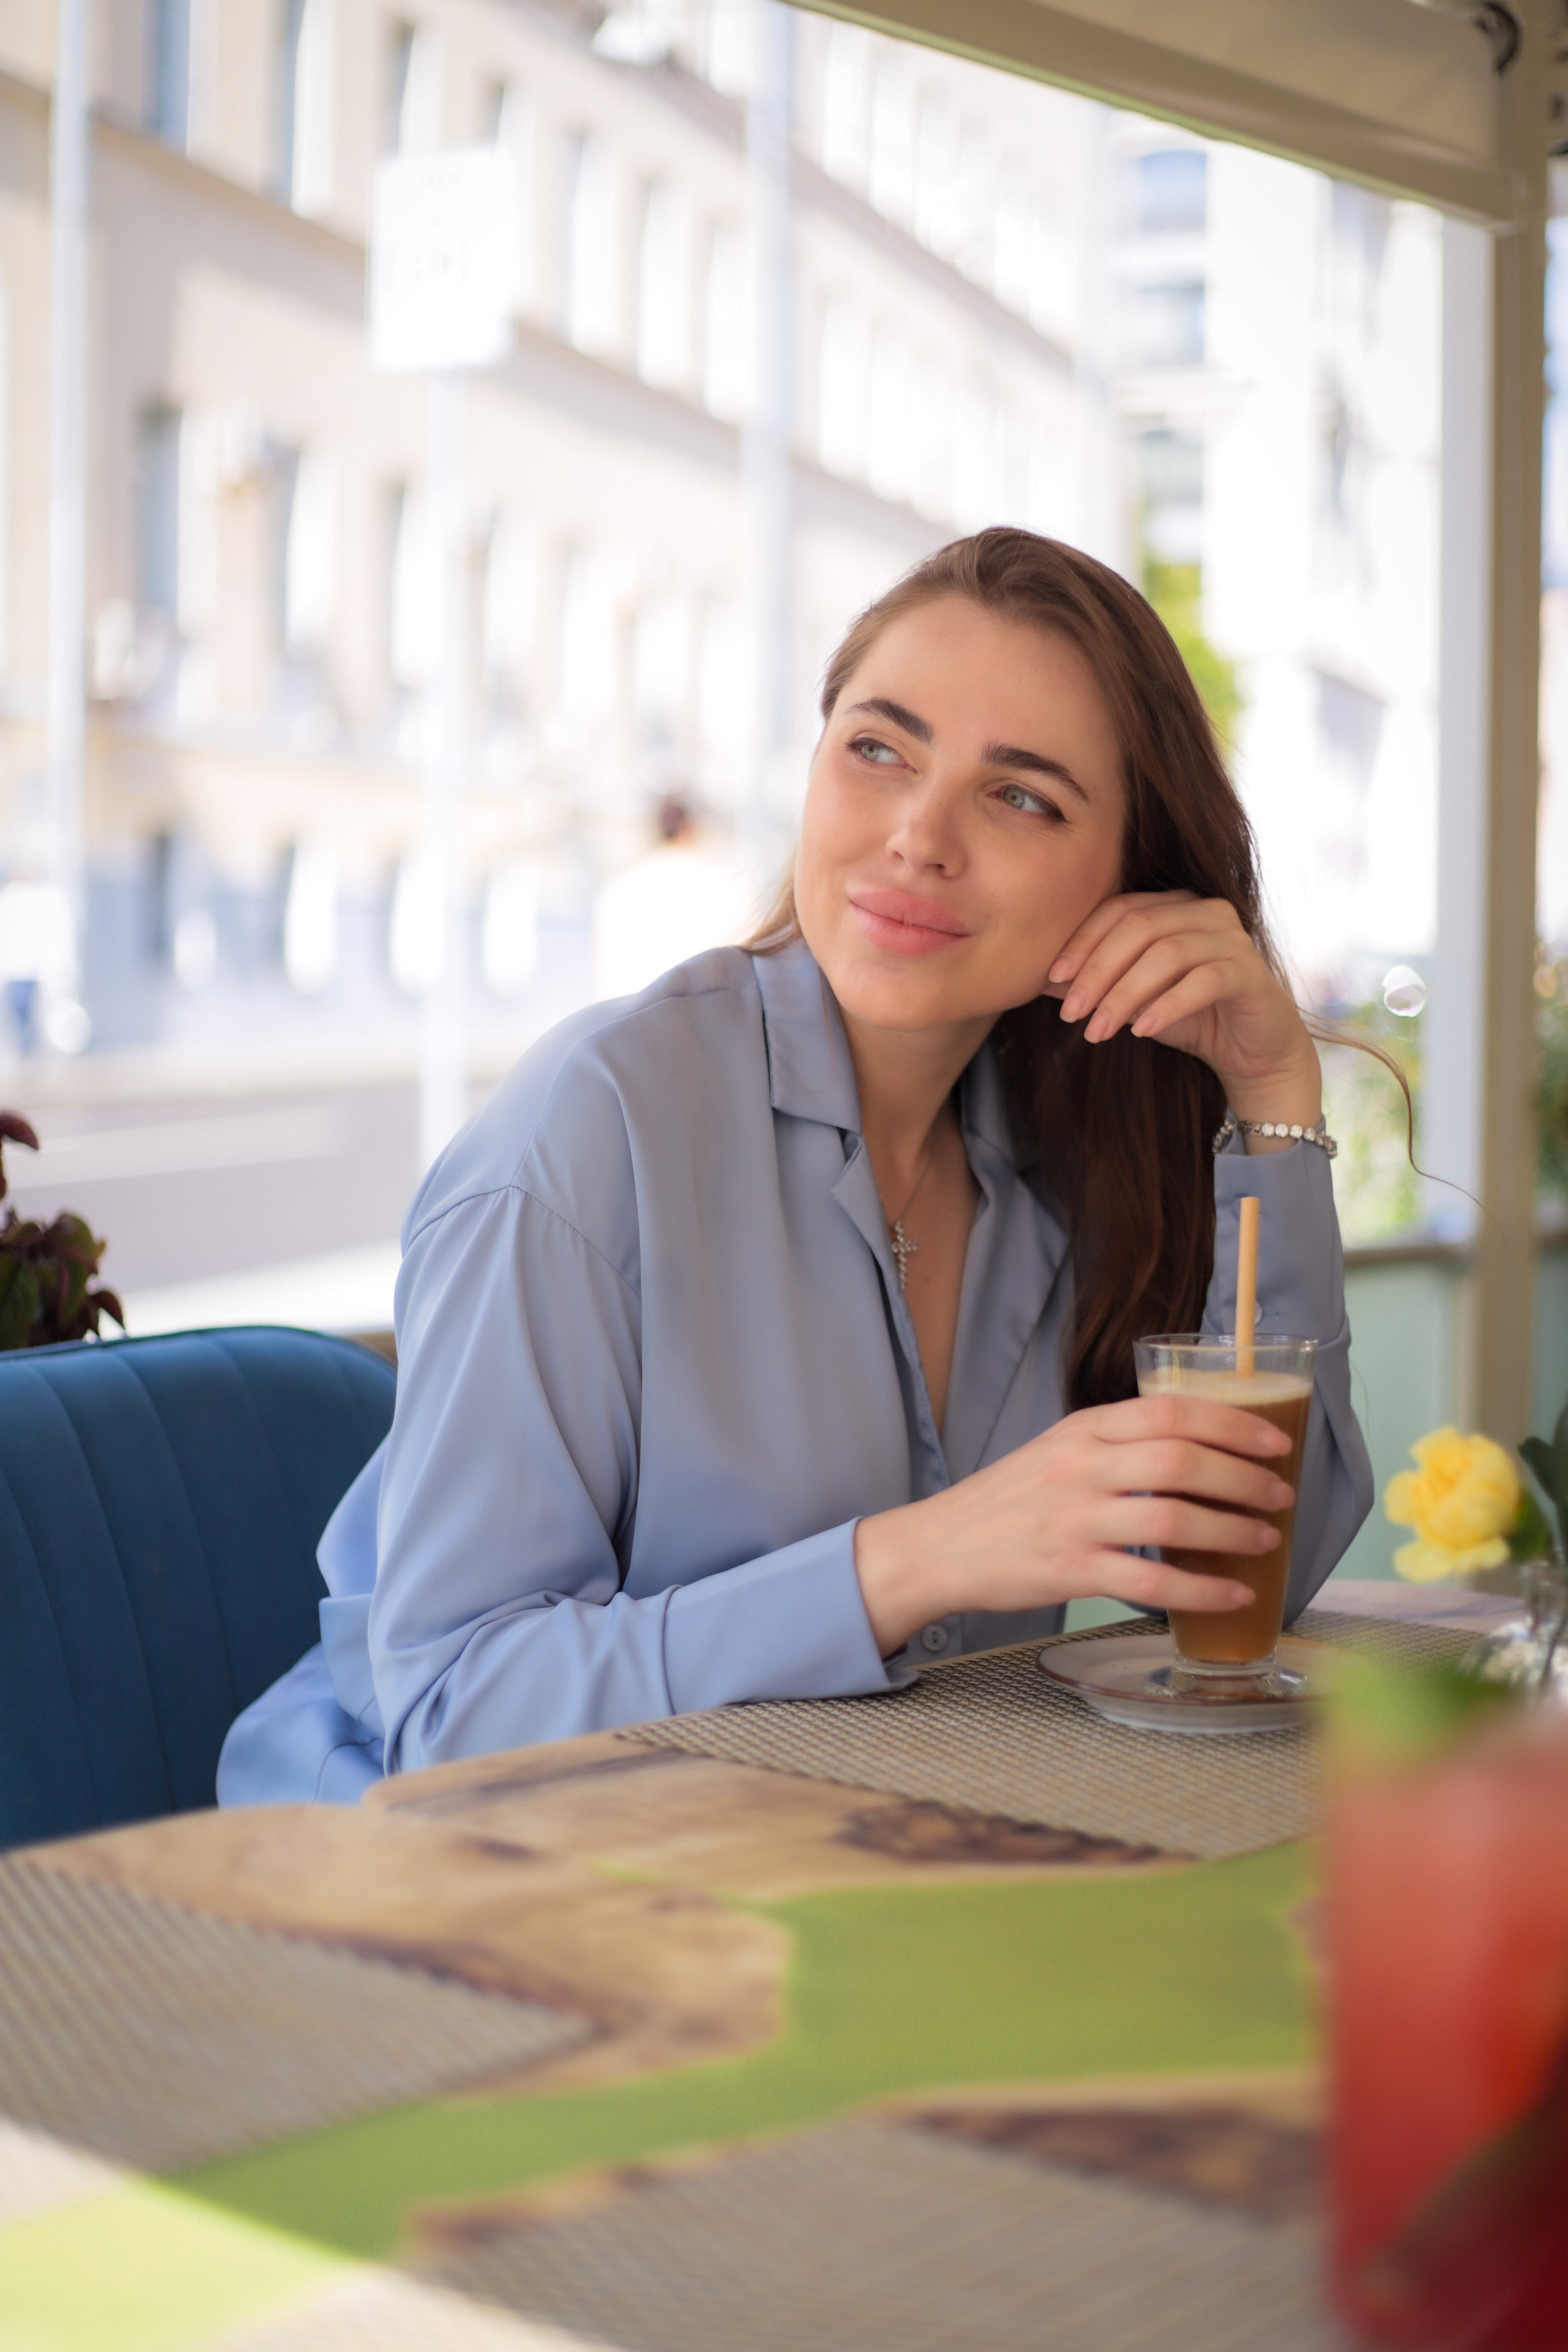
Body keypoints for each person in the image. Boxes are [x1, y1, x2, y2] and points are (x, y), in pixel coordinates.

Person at [219, 529, 1371, 1806]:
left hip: (823, 1879)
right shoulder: (595, 1126)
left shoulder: (1064, 1154)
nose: (918, 835)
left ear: (1127, 882)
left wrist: (1271, 1102)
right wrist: (910, 1563)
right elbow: (451, 1708)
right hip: (451, 1897)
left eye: (1021, 794)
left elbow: (1258, 1574)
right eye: (877, 749)